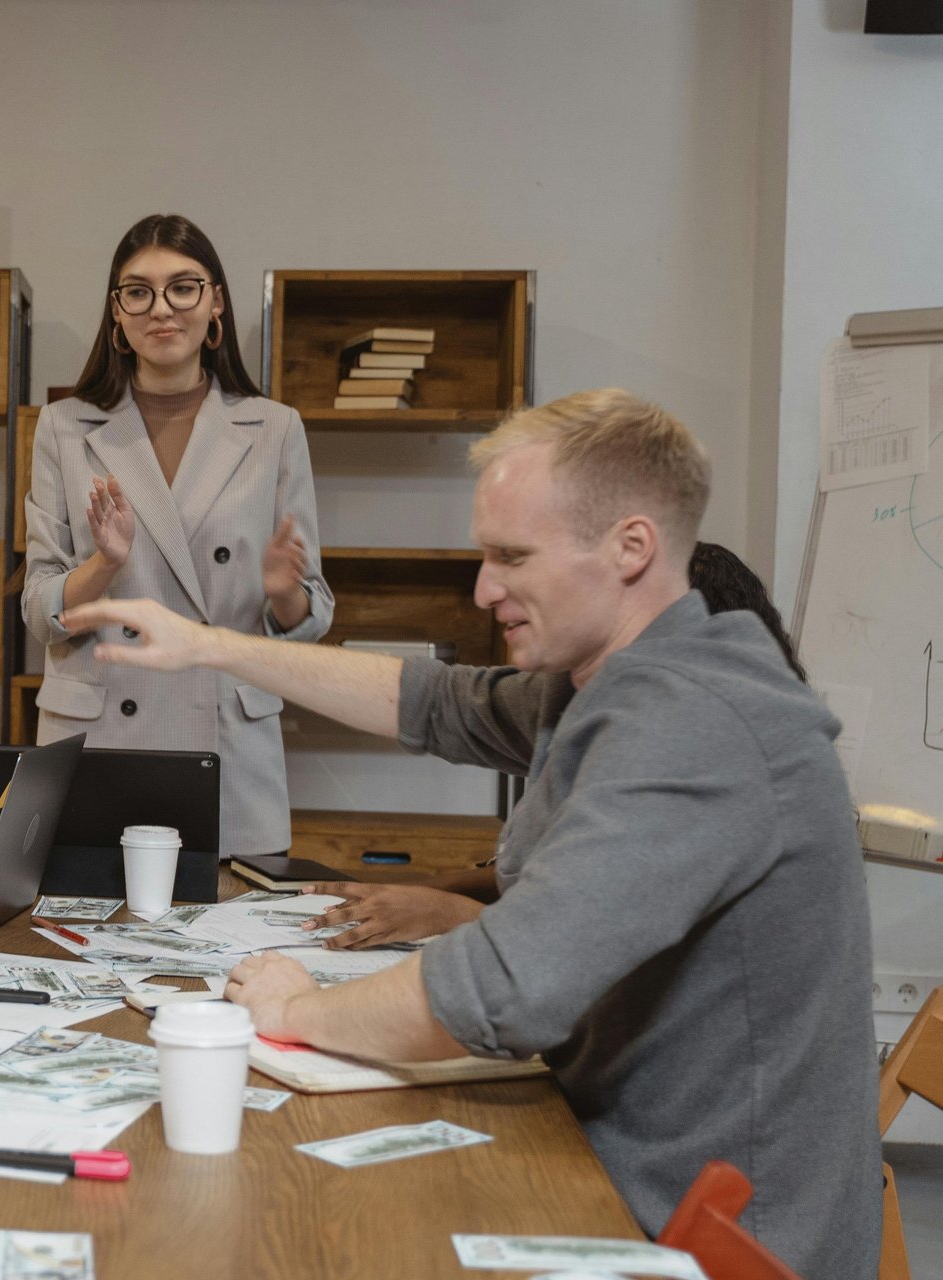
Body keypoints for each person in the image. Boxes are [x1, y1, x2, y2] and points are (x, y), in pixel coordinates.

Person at [64, 389, 879, 1278]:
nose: (485, 588)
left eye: (511, 557)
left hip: (698, 1235)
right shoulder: (614, 680)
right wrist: (212, 646)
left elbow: (498, 990)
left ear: (630, 548)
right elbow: (428, 702)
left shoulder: (692, 722)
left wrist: (292, 1009)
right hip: (614, 1165)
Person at [299, 539, 811, 949]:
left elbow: (593, 942)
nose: (491, 595)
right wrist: (435, 889)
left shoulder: (709, 763)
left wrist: (447, 912)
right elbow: (440, 702)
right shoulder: (592, 696)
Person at [21, 213, 333, 857]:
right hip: (100, 735)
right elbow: (39, 612)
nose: (161, 308)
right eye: (138, 291)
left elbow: (313, 616)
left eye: (183, 287)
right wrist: (106, 563)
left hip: (224, 741)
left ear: (215, 301)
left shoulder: (274, 429)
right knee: (85, 947)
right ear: (117, 314)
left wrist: (282, 594)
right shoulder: (63, 427)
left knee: (226, 947)